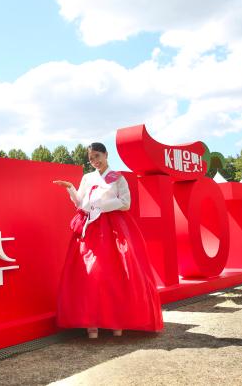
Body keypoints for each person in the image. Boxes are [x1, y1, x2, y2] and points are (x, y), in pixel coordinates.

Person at [53, 142, 163, 339]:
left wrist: (102, 205)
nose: (94, 161)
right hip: (91, 227)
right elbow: (80, 201)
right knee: (90, 272)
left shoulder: (116, 177)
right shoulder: (88, 177)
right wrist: (70, 188)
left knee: (115, 271)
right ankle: (91, 322)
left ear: (106, 154)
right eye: (91, 158)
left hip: (113, 227)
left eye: (97, 156)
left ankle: (117, 321)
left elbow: (125, 203)